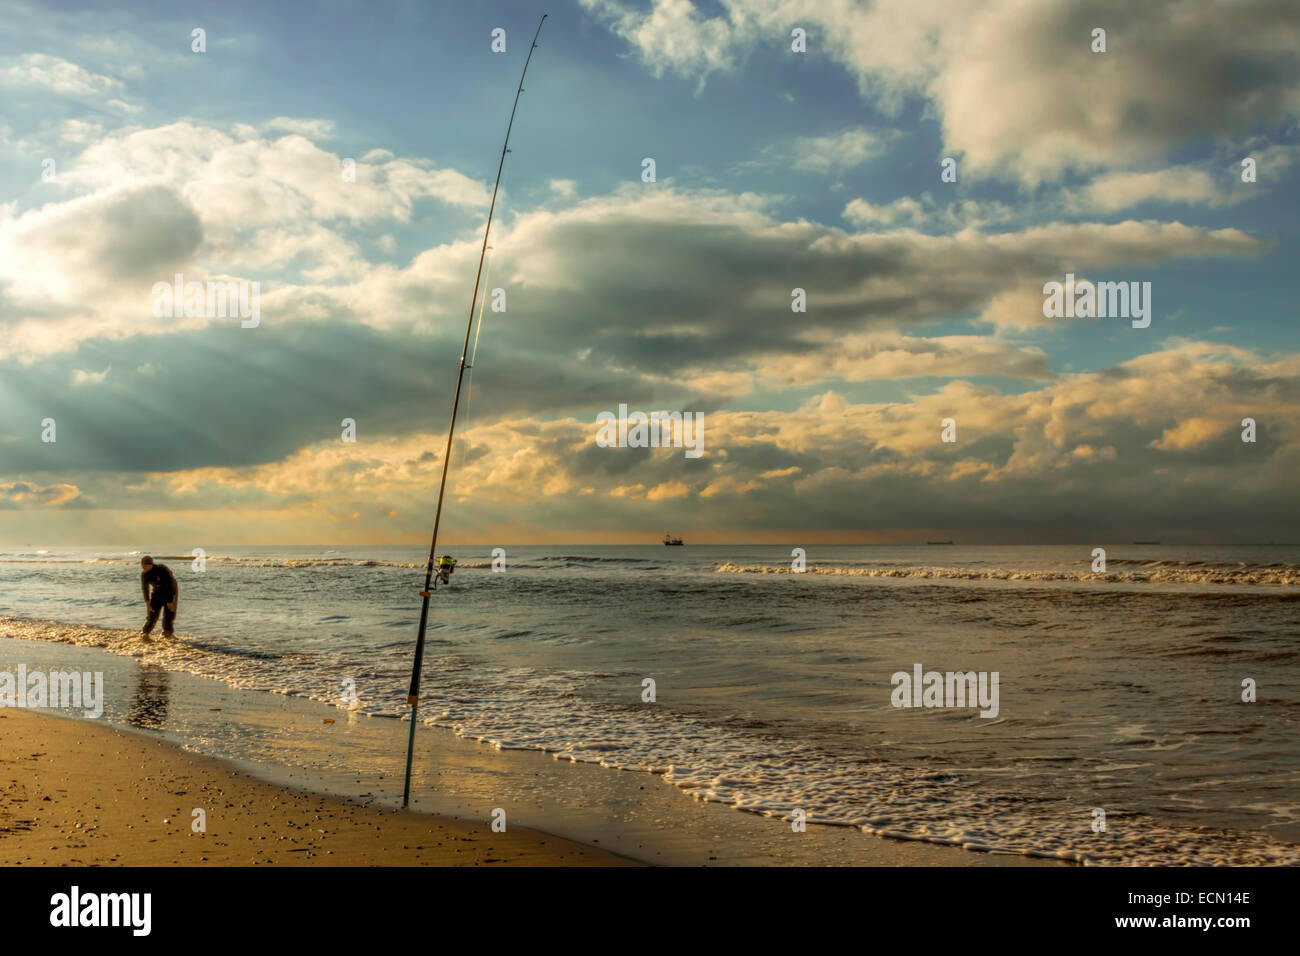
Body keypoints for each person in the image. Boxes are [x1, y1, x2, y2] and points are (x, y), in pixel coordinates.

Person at [140, 555, 178, 637]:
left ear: (151, 564)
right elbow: (145, 588)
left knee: (169, 614)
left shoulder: (162, 569)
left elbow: (169, 585)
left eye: (145, 566)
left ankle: (167, 632)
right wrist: (147, 603)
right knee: (152, 613)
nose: (144, 568)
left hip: (171, 590)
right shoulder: (144, 574)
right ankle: (145, 632)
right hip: (157, 591)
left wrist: (170, 601)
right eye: (142, 566)